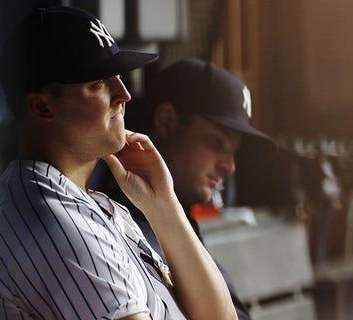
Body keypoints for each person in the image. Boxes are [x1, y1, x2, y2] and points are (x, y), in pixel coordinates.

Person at [0, 7, 236, 320]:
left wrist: (163, 204)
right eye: (98, 83)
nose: (124, 94)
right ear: (42, 106)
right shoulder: (55, 225)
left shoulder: (86, 203)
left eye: (118, 77)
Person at [98, 58, 277, 320]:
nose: (229, 166)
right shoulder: (120, 224)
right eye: (217, 143)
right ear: (167, 122)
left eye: (233, 152)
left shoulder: (177, 219)